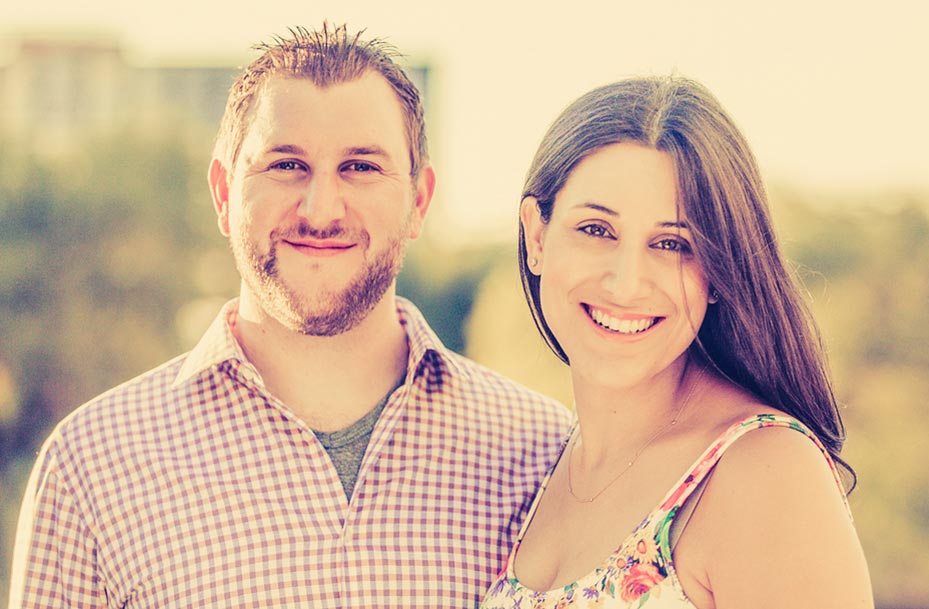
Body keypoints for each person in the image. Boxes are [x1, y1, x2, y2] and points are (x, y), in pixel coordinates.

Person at [8, 23, 571, 608]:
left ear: (419, 201)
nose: (321, 210)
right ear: (224, 193)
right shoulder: (92, 466)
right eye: (286, 165)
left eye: (360, 167)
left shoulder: (545, 453)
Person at [480, 76, 874, 608]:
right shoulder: (542, 470)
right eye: (597, 230)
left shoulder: (765, 473)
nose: (626, 283)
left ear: (718, 270)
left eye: (672, 244)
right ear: (536, 236)